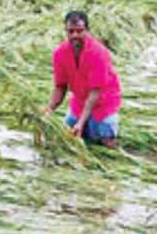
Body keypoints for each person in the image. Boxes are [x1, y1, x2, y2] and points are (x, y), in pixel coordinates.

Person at [44, 11, 122, 149]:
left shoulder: (98, 53)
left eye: (79, 31)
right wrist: (49, 109)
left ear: (87, 30)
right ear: (66, 31)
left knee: (104, 139)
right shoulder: (60, 54)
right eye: (71, 31)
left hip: (103, 104)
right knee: (66, 135)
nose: (75, 35)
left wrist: (81, 123)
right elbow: (60, 87)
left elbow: (95, 93)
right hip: (79, 103)